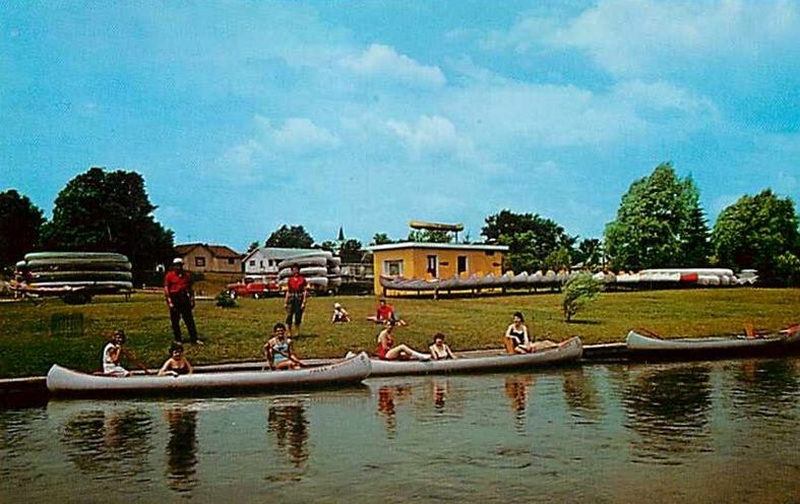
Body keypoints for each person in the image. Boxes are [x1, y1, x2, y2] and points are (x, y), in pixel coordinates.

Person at [164, 258, 202, 344]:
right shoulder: (169, 275)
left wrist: (192, 299)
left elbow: (190, 288)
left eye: (180, 265)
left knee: (189, 320)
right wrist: (169, 301)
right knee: (175, 321)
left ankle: (194, 338)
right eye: (177, 265)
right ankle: (178, 339)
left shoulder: (186, 276)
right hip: (174, 297)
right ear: (174, 266)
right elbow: (166, 288)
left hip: (184, 298)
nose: (179, 267)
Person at [284, 265, 307, 337]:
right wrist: (285, 302)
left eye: (296, 269)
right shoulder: (290, 280)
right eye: (293, 270)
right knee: (289, 315)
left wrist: (304, 301)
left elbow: (304, 291)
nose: (295, 271)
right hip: (291, 298)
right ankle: (289, 332)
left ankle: (297, 332)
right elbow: (288, 291)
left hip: (299, 298)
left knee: (298, 315)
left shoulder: (302, 279)